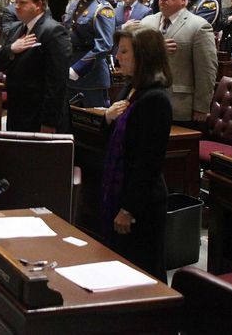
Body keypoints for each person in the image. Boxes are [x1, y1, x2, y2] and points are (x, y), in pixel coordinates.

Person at [101, 23, 173, 282]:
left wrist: (129, 209)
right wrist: (107, 119)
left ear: (143, 55)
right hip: (122, 190)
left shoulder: (156, 99)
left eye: (124, 52)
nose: (117, 57)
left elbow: (148, 162)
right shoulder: (131, 87)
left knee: (144, 271)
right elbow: (114, 140)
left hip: (142, 203)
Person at [0, 0, 71, 132]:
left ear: (39, 5)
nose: (17, 7)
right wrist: (11, 50)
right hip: (17, 111)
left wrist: (49, 122)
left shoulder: (54, 31)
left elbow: (57, 82)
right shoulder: (17, 29)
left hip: (39, 115)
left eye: (22, 3)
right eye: (16, 2)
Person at [140, 0, 217, 124]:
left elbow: (206, 70)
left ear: (184, 0)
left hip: (179, 105)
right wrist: (156, 49)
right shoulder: (146, 22)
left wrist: (202, 106)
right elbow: (135, 58)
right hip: (145, 100)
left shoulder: (199, 26)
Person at [63, 0, 116, 107]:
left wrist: (78, 68)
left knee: (93, 123)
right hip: (69, 70)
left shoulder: (102, 9)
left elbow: (104, 45)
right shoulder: (74, 5)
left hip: (91, 76)